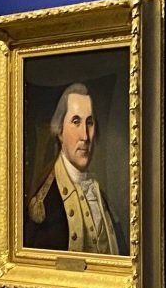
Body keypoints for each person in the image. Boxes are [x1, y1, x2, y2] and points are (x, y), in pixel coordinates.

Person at [26, 81, 124, 255]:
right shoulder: (47, 202)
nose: (85, 136)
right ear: (60, 131)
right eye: (76, 122)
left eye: (90, 123)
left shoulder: (99, 193)